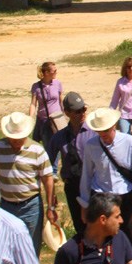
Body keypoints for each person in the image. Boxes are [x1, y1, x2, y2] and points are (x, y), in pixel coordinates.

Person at [78, 107, 132, 261]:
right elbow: (87, 175)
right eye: (99, 133)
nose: (103, 137)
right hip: (101, 196)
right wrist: (84, 205)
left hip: (126, 196)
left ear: (113, 126)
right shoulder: (91, 145)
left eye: (106, 133)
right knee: (101, 240)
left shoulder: (129, 142)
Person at [0, 112, 58, 256]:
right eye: (13, 137)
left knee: (30, 248)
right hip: (6, 205)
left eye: (19, 138)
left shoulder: (37, 150)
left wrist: (50, 206)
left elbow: (48, 179)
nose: (16, 141)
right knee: (7, 247)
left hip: (31, 206)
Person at [46, 92, 96, 234]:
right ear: (67, 113)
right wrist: (52, 194)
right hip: (73, 186)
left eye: (84, 109)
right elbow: (47, 166)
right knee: (80, 226)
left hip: (93, 185)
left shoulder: (94, 132)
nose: (82, 113)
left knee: (95, 224)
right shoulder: (59, 137)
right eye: (77, 111)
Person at [28, 61, 63, 143]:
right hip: (43, 121)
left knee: (59, 144)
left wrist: (64, 115)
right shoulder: (36, 86)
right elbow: (33, 104)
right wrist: (30, 117)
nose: (56, 72)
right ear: (47, 73)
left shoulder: (58, 84)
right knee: (47, 145)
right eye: (54, 71)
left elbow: (61, 101)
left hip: (56, 119)